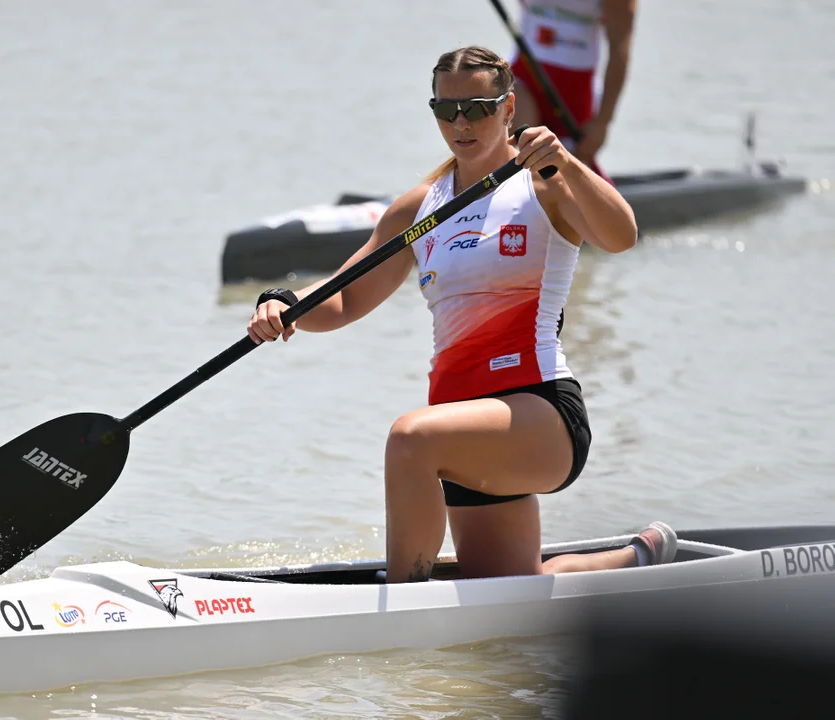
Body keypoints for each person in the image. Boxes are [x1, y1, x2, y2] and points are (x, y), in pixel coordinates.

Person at [247, 45, 675, 583]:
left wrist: (566, 160)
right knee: (511, 588)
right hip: (462, 424)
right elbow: (345, 297)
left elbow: (622, 236)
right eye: (446, 110)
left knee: (409, 439)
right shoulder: (419, 208)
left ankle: (403, 603)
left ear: (509, 109)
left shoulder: (544, 185)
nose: (461, 122)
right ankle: (639, 557)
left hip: (540, 413)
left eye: (477, 107)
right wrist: (283, 306)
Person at [510, 0, 636, 170]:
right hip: (523, 80)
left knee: (561, 173)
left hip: (574, 99)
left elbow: (620, 48)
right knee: (513, 146)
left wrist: (603, 123)